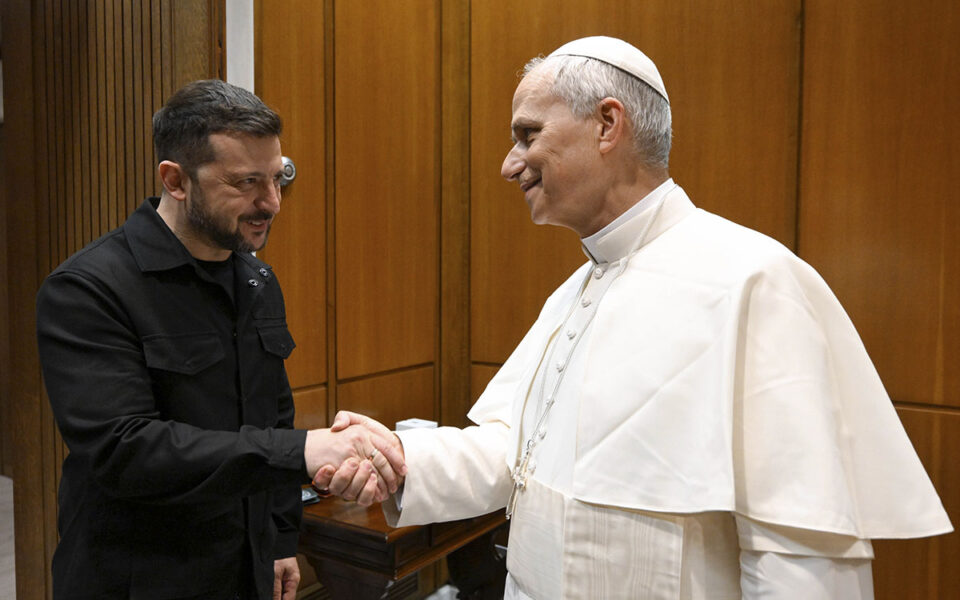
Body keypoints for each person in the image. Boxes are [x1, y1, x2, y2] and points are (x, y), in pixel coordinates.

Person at [317, 37, 953, 599]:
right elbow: (518, 453)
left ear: (607, 124)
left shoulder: (752, 280)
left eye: (528, 134)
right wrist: (400, 456)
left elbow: (802, 552)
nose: (509, 165)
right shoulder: (573, 293)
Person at [36, 79, 404, 600]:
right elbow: (125, 451)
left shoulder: (256, 280)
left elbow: (273, 414)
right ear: (176, 180)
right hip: (138, 576)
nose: (271, 203)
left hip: (243, 566)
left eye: (277, 178)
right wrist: (302, 450)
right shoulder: (87, 289)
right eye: (246, 182)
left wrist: (279, 538)